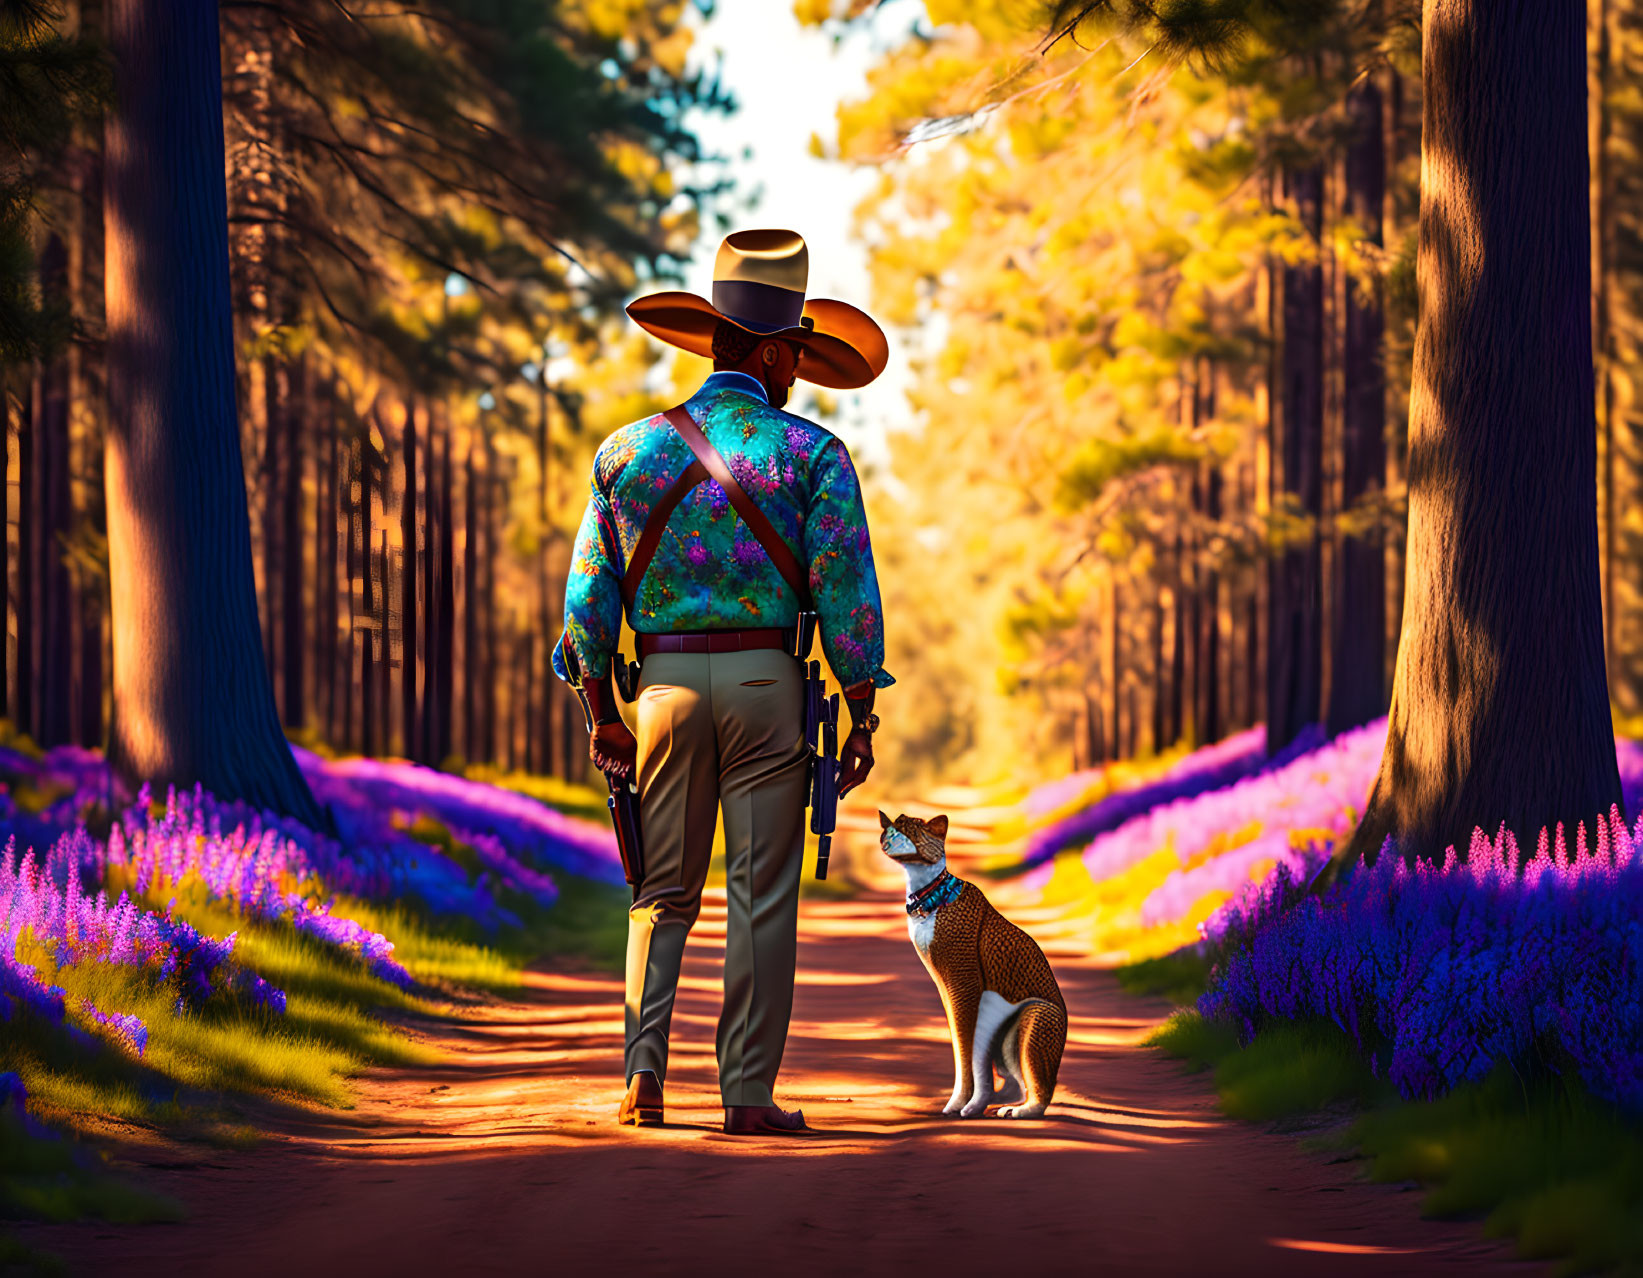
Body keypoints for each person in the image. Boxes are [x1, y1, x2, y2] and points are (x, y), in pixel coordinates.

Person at [553, 229, 894, 1136]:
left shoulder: (624, 454)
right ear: (777, 354)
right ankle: (745, 1094)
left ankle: (642, 1077)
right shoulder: (812, 455)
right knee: (759, 893)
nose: (797, 379)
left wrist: (602, 713)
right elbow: (847, 596)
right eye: (797, 362)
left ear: (711, 338)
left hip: (658, 690)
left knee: (659, 892)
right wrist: (860, 714)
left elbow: (587, 602)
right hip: (767, 686)